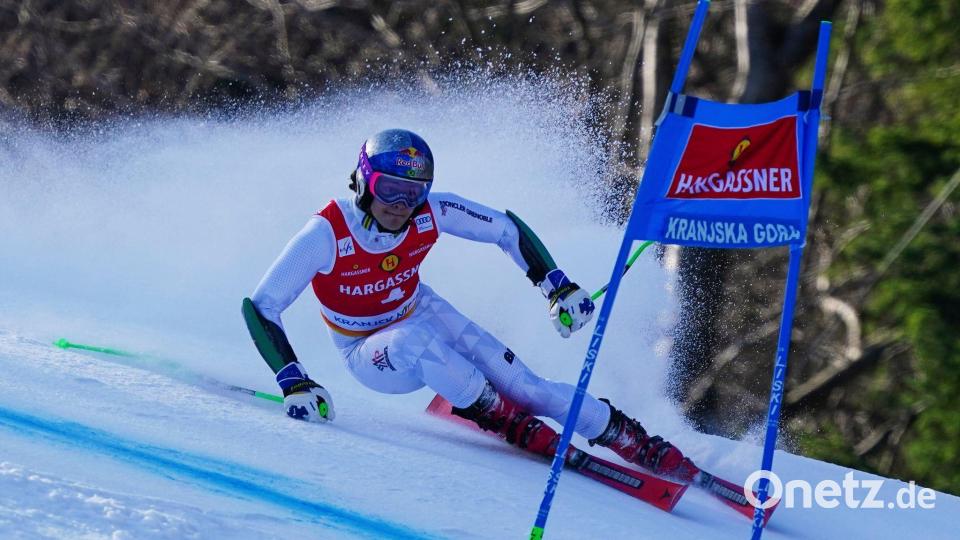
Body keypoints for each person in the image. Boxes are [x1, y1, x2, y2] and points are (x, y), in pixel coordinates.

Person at [242, 128, 698, 482]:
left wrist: (556, 285)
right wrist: (295, 382)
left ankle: (631, 440)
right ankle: (499, 418)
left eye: (414, 192)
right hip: (367, 351)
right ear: (362, 181)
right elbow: (261, 305)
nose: (401, 205)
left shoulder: (432, 212)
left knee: (531, 389)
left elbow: (505, 228)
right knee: (414, 342)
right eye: (389, 189)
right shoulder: (326, 233)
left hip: (421, 311)